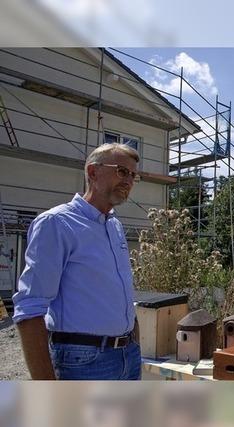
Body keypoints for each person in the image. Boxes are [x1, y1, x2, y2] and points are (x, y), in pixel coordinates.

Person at [12, 143, 142, 380]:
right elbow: (29, 309)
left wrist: (134, 337)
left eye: (133, 175)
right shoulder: (56, 223)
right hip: (84, 362)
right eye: (122, 171)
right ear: (93, 173)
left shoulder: (114, 225)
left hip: (128, 355)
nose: (129, 181)